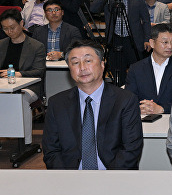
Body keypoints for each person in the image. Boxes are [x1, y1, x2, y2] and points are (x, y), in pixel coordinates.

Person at [42, 39, 143, 169]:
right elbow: (51, 151)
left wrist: (108, 181)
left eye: (88, 61)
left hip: (113, 178)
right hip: (71, 179)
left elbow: (131, 149)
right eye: (75, 63)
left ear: (102, 64)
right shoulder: (57, 103)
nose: (82, 67)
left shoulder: (125, 100)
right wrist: (67, 179)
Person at [0, 9, 45, 147]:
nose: (9, 31)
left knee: (20, 99)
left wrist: (19, 73)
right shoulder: (1, 44)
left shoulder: (37, 46)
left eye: (12, 27)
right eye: (5, 28)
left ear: (21, 23)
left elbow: (39, 71)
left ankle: (26, 142)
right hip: (3, 85)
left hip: (29, 87)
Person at [125, 23, 172, 115]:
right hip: (142, 121)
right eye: (165, 42)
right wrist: (139, 108)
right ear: (152, 43)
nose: (169, 46)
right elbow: (129, 100)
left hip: (170, 122)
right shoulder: (136, 69)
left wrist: (162, 109)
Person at [90, 0, 151, 86]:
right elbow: (93, 9)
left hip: (133, 40)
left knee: (137, 71)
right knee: (117, 71)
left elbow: (146, 20)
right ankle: (120, 93)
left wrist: (147, 39)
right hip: (115, 39)